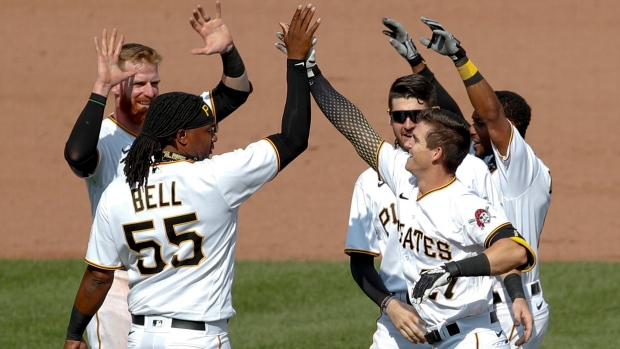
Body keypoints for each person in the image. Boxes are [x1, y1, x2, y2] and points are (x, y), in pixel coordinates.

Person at [62, 4, 320, 349]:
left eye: (155, 83)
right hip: (128, 287)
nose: (149, 92)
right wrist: (298, 61)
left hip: (141, 309)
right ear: (181, 136)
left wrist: (228, 52)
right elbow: (77, 155)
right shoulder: (200, 170)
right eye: (138, 83)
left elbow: (235, 93)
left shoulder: (132, 174)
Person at [295, 32, 535, 347]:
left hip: (469, 337)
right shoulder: (404, 178)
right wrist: (311, 74)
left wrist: (454, 270)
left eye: (418, 140)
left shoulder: (463, 203)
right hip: (417, 332)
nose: (408, 141)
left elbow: (515, 250)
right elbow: (356, 130)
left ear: (436, 154)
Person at [418, 17, 552, 348]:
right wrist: (417, 64)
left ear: (507, 128)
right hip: (489, 304)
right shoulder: (482, 162)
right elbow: (453, 120)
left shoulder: (521, 167)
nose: (471, 128)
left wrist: (460, 58)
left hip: (514, 308)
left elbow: (490, 115)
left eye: (478, 123)